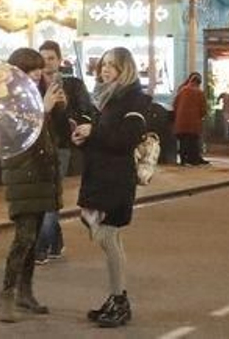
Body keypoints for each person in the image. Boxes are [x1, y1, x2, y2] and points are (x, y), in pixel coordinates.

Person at [73, 46, 151, 329]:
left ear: (125, 68)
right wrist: (84, 136)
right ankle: (116, 297)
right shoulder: (106, 98)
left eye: (112, 65)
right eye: (103, 64)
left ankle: (119, 300)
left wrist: (95, 132)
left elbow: (128, 138)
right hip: (100, 175)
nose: (105, 69)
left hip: (116, 179)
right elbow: (105, 137)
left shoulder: (133, 99)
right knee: (108, 238)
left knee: (108, 237)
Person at [0, 47, 63, 322]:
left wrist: (56, 110)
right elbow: (19, 138)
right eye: (31, 70)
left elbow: (51, 136)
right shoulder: (9, 100)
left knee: (33, 240)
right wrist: (42, 111)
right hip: (23, 176)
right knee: (23, 238)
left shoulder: (35, 96)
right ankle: (7, 296)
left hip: (41, 176)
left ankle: (26, 292)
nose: (37, 74)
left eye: (38, 69)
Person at [36, 39, 94, 263]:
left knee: (49, 195)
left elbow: (86, 111)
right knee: (43, 194)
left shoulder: (72, 85)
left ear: (59, 60)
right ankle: (56, 240)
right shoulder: (34, 84)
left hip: (60, 146)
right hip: (36, 145)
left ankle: (41, 245)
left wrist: (68, 108)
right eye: (43, 58)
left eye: (51, 58)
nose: (47, 63)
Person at [173, 71, 207, 166]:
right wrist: (202, 116)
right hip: (193, 124)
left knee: (183, 142)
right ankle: (193, 160)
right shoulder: (199, 92)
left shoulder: (182, 90)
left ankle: (183, 160)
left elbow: (175, 104)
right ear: (198, 83)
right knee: (192, 143)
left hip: (180, 123)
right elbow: (203, 109)